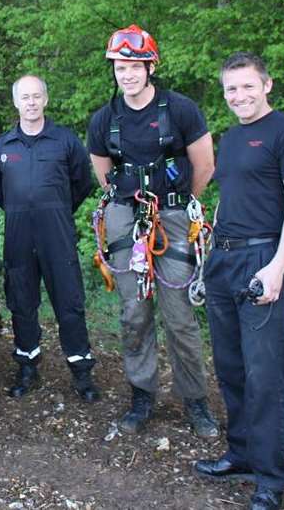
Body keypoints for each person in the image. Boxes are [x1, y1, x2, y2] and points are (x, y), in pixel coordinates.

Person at [86, 24, 218, 437]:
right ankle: (141, 394)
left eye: (134, 66)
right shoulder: (104, 120)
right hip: (127, 216)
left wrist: (177, 205)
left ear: (150, 67)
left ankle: (195, 400)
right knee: (134, 313)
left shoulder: (179, 110)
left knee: (179, 316)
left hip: (174, 217)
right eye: (120, 67)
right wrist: (132, 207)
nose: (127, 74)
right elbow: (104, 176)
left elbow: (205, 165)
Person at [194, 52, 284, 510]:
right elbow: (227, 200)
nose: (239, 96)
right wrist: (206, 264)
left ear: (267, 85)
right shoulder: (233, 138)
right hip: (224, 259)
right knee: (231, 367)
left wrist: (276, 267)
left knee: (265, 374)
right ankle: (239, 454)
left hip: (263, 258)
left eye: (247, 87)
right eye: (231, 89)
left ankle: (272, 478)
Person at [0, 75, 99, 403]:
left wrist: (56, 211)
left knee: (69, 302)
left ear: (46, 100)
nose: (32, 102)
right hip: (19, 236)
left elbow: (82, 183)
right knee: (21, 302)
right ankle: (27, 367)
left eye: (37, 96)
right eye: (25, 97)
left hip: (57, 234)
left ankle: (81, 373)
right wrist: (24, 211)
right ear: (16, 102)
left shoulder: (65, 140)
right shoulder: (2, 147)